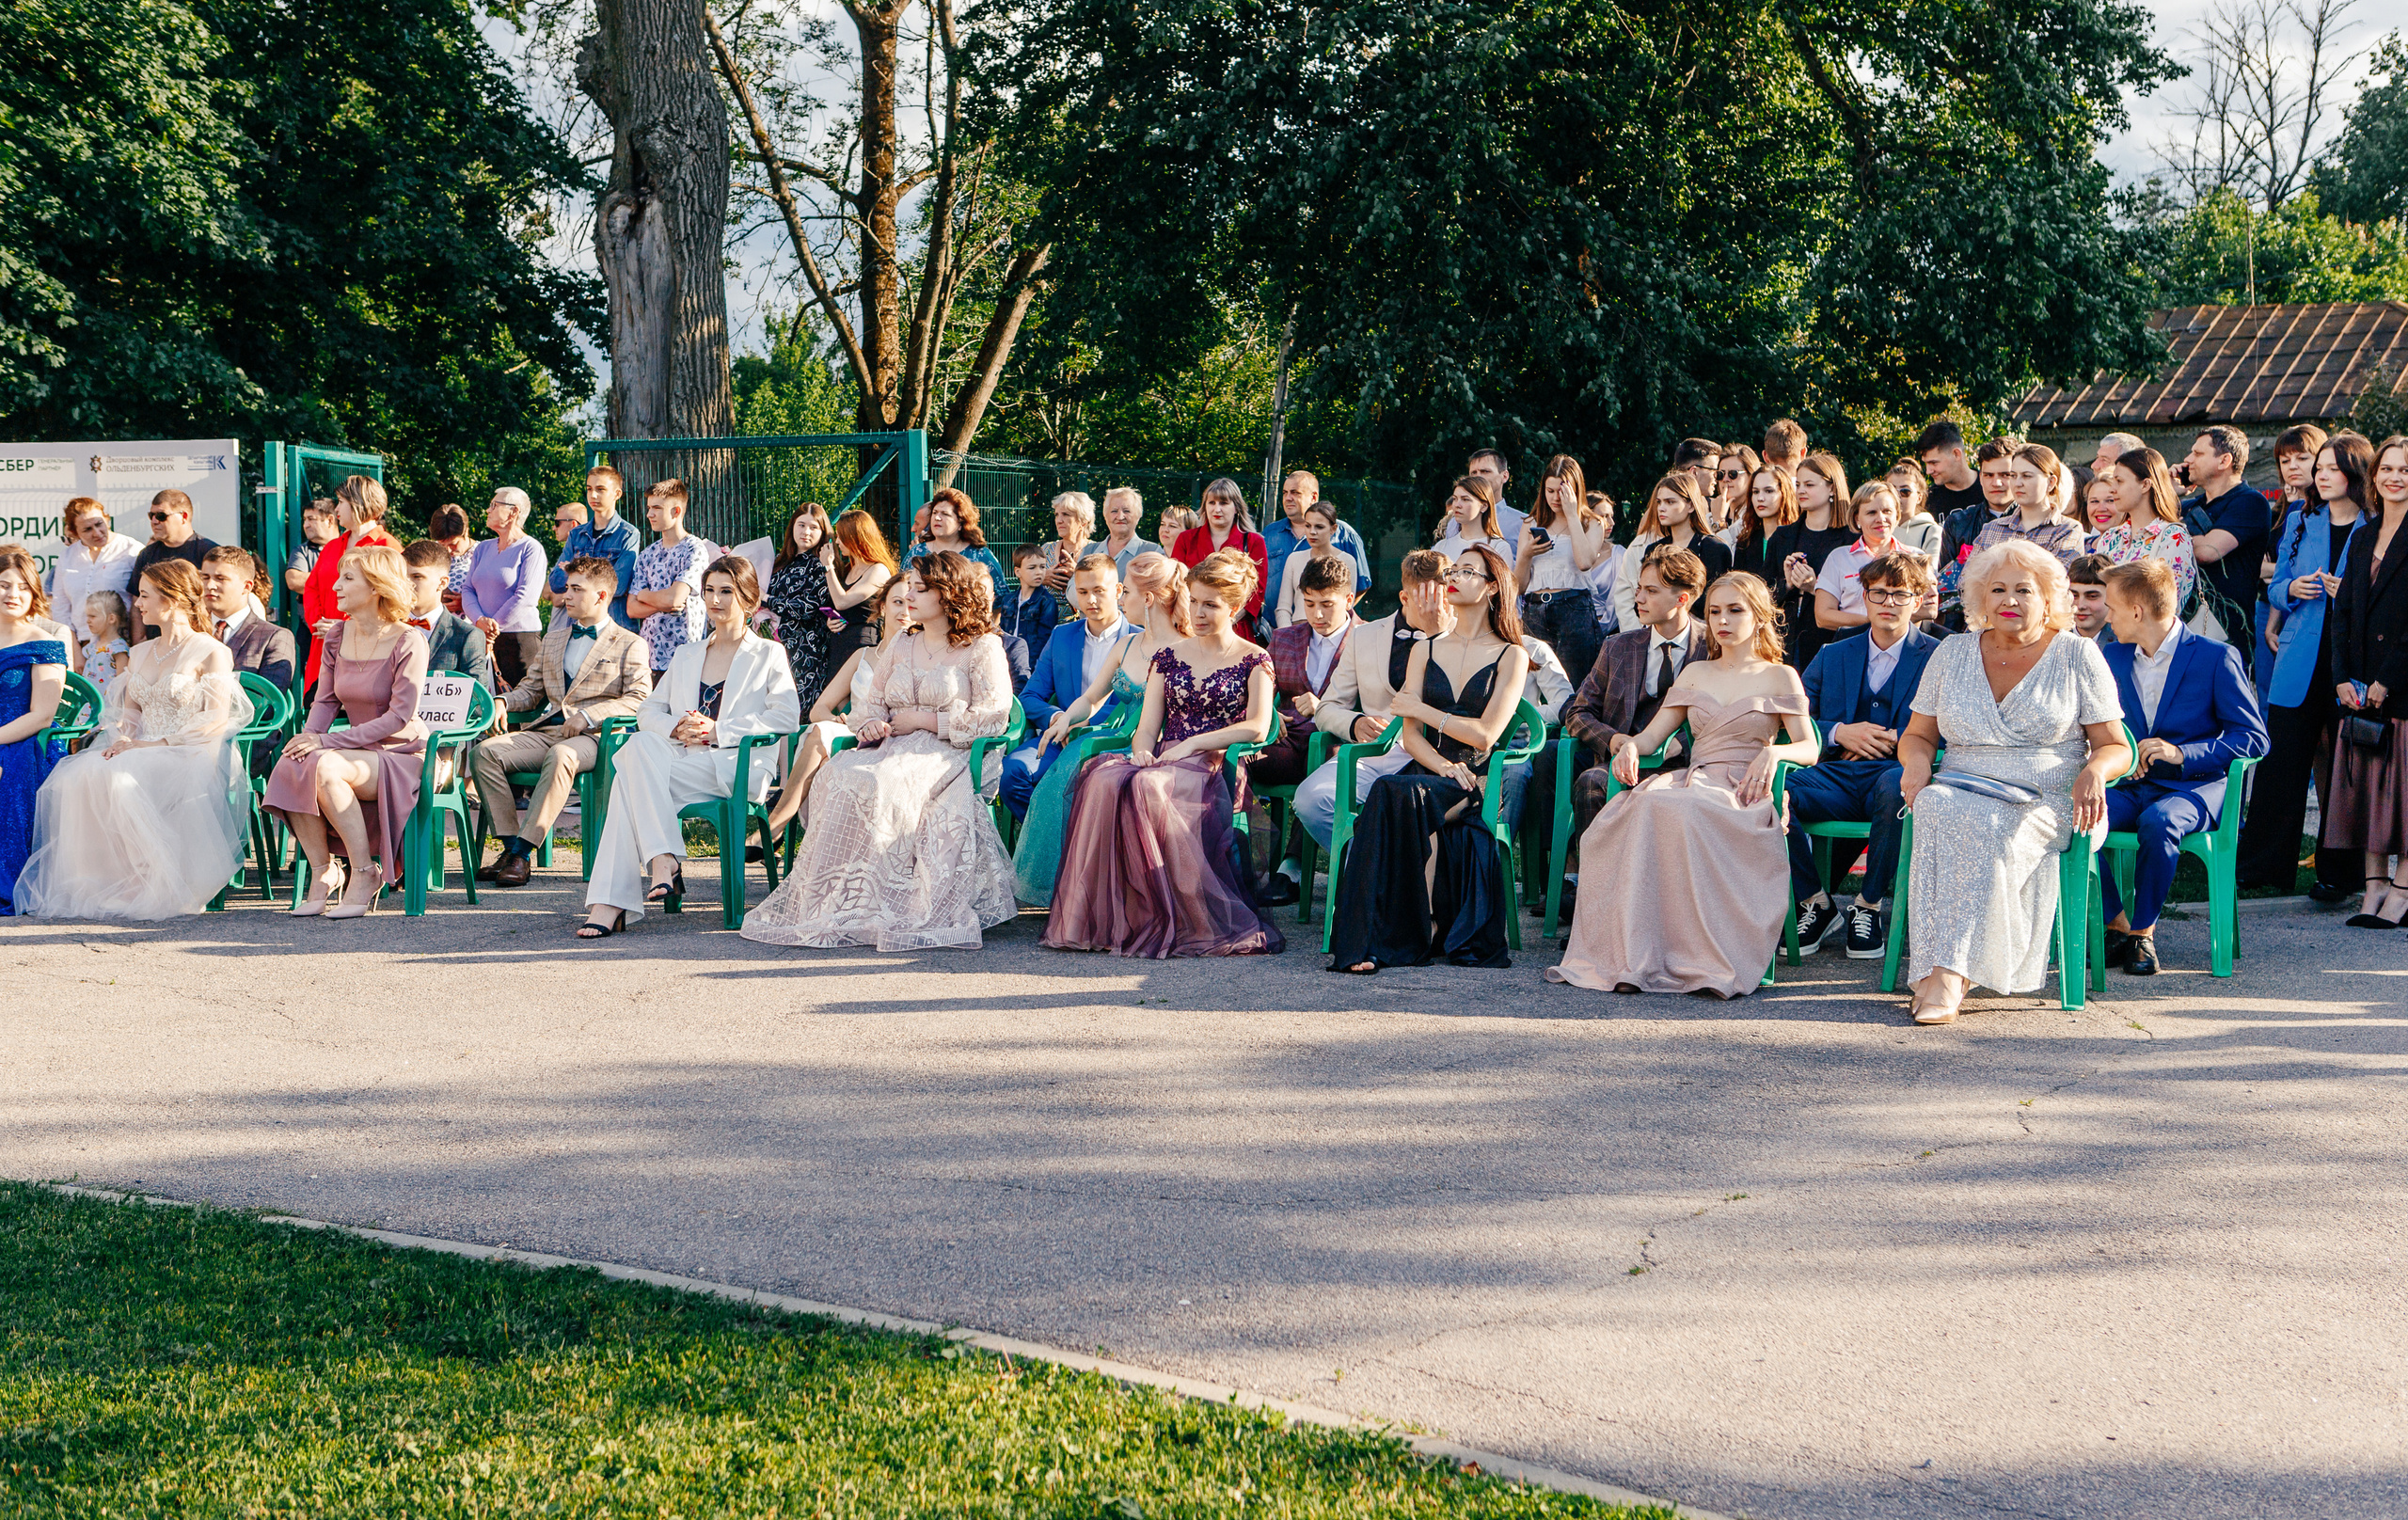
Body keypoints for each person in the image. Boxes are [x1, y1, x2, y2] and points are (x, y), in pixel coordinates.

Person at [1549, 572, 1816, 997]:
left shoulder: (1780, 676)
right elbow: (1652, 737)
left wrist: (1775, 752)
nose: (1722, 621)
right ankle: (1640, 950)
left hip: (1744, 789)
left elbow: (1808, 747)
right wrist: (1632, 748)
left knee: (1679, 808)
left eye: (1735, 610)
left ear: (1760, 617)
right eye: (1714, 612)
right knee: (1640, 806)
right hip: (1696, 778)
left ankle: (1700, 953)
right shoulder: (1696, 672)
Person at [1896, 541, 2130, 1023]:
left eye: (2024, 589)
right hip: (1961, 785)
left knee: (1989, 827)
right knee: (1937, 806)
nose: (2010, 599)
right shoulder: (1952, 652)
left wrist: (2094, 770)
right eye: (1998, 589)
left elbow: (2115, 746)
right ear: (1981, 598)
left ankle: (1947, 976)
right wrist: (1916, 764)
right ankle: (1944, 969)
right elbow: (1919, 735)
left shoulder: (2078, 655)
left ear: (2049, 599)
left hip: (2051, 799)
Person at [740, 551, 1014, 951]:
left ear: (949, 594)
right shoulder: (903, 643)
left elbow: (994, 717)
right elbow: (871, 702)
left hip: (949, 750)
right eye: (910, 589)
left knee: (883, 783)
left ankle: (894, 902)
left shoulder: (982, 647)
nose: (911, 597)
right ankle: (845, 901)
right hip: (891, 744)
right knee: (839, 774)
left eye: (922, 589)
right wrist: (868, 723)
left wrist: (924, 720)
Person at [1043, 550, 1283, 958]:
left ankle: (1190, 918)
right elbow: (1147, 730)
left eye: (1212, 604)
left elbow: (1258, 726)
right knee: (1103, 778)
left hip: (1214, 765)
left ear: (1236, 607)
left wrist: (1193, 744)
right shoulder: (1167, 657)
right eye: (1194, 600)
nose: (1199, 611)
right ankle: (1100, 920)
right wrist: (1140, 753)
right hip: (1163, 758)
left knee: (1148, 788)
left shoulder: (1254, 657)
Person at [1325, 546, 1529, 972]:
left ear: (1492, 586)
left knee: (1392, 793)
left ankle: (1385, 941)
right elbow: (1411, 736)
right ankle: (1374, 942)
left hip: (1475, 781)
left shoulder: (1512, 655)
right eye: (1452, 569)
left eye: (1467, 571)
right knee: (1395, 791)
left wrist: (1422, 710)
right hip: (1431, 771)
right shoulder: (1427, 649)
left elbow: (1485, 734)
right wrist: (1440, 764)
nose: (1453, 575)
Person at [14, 560, 253, 921]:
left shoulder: (211, 651)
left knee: (120, 779)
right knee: (76, 775)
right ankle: (106, 879)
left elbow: (215, 721)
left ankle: (151, 880)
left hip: (187, 750)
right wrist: (122, 738)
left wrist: (152, 746)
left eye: (144, 596)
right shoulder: (140, 651)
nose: (137, 605)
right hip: (141, 746)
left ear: (171, 599)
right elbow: (129, 716)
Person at [578, 557, 801, 938]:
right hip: (681, 760)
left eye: (727, 591)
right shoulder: (687, 654)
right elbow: (648, 709)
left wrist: (719, 731)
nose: (716, 600)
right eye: (710, 590)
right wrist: (675, 728)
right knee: (637, 748)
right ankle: (661, 860)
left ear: (749, 599)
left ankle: (614, 900)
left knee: (628, 779)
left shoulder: (768, 654)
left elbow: (786, 718)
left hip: (736, 765)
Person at [2096, 559, 2269, 974]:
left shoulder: (2215, 657)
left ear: (2137, 612)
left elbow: (2253, 738)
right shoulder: (2112, 656)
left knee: (2160, 821)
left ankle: (2144, 935)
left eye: (2112, 606)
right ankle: (2117, 924)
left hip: (2195, 788)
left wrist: (2182, 754)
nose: (2107, 614)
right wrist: (2124, 753)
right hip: (2130, 784)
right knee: (2075, 818)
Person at [2240, 433, 2374, 896]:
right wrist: (2292, 590)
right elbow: (2276, 587)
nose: (2321, 476)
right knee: (2280, 764)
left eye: (2331, 468)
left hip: (2351, 662)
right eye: (2319, 468)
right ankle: (2261, 870)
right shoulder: (2301, 518)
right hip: (2298, 657)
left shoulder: (2377, 525)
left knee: (2345, 771)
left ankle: (2340, 875)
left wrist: (2350, 593)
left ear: (2355, 474)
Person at [265, 544, 431, 919]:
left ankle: (364, 872)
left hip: (400, 754)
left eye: (347, 578)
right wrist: (306, 740)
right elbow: (324, 702)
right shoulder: (337, 636)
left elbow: (398, 719)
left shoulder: (410, 640)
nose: (335, 585)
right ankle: (324, 871)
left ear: (376, 587)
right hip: (355, 752)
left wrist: (324, 742)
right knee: (295, 765)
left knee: (323, 765)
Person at [1789, 552, 1941, 958]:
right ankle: (1816, 902)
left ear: (1918, 599)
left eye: (1900, 594)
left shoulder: (1940, 657)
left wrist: (1905, 739)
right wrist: (1840, 732)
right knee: (1771, 787)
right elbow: (1794, 720)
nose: (1889, 603)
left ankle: (1869, 905)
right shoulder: (1832, 655)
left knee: (1898, 784)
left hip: (1897, 774)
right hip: (1835, 776)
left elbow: (1958, 730)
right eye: (1879, 593)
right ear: (1865, 597)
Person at [1012, 552, 1186, 905]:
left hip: (1156, 742)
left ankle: (1110, 893)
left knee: (1097, 782)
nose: (1120, 602)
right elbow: (1091, 697)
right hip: (1111, 739)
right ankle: (1073, 888)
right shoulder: (1125, 645)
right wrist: (1063, 720)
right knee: (1052, 786)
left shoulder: (1182, 649)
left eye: (1125, 595)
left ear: (1147, 598)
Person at [470, 556, 653, 887]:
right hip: (548, 730)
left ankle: (523, 853)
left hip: (597, 738)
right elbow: (531, 690)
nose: (566, 596)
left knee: (562, 755)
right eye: (566, 588)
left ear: (601, 596)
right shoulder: (553, 640)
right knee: (484, 752)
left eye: (576, 589)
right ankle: (512, 846)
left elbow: (639, 698)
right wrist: (502, 701)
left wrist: (588, 716)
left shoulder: (631, 643)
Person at [1549, 547, 1710, 915]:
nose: (1638, 598)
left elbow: (1722, 714)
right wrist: (1616, 740)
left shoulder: (1713, 647)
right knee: (1592, 782)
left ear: (1682, 598)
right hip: (1624, 762)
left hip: (1690, 765)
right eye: (1639, 588)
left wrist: (1675, 745)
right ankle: (1597, 911)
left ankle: (1670, 915)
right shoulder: (1619, 646)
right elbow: (1576, 711)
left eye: (1651, 591)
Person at [1295, 548, 1455, 859]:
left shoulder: (1463, 638)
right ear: (1404, 598)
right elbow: (1327, 708)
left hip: (1440, 754)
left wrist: (1442, 635)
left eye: (1441, 598)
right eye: (1425, 599)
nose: (1436, 607)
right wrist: (1354, 724)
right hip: (1378, 755)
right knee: (1309, 800)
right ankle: (1368, 870)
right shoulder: (1364, 636)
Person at [2326, 434, 2408, 927]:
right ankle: (2373, 887)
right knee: (2371, 794)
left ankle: (2402, 891)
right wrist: (2342, 678)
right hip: (2358, 689)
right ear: (2374, 477)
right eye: (2388, 469)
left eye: (2405, 470)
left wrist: (2388, 679)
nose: (2395, 478)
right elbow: (2343, 613)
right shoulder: (2362, 535)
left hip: (2403, 690)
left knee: (2403, 795)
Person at [765, 577, 918, 838]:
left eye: (910, 604)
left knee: (820, 735)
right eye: (897, 602)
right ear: (882, 607)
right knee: (821, 729)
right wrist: (838, 722)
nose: (904, 611)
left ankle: (775, 825)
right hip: (851, 732)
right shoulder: (862, 655)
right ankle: (778, 825)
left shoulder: (920, 657)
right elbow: (820, 708)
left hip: (895, 739)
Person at [1251, 552, 1360, 907]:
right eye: (1309, 603)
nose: (1317, 615)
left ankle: (1291, 867)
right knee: (1232, 761)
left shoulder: (1370, 639)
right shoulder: (1284, 638)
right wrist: (1267, 711)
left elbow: (1375, 707)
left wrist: (1327, 709)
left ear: (1349, 599)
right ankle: (1254, 852)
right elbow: (1258, 690)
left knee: (1325, 759)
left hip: (1339, 747)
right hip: (1285, 741)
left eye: (1327, 604)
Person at [0, 553, 68, 916]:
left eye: (23, 587)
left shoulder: (44, 643)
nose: (13, 593)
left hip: (25, 741)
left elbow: (42, 715)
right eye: (4, 584)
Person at [2181, 425, 2273, 667]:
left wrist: (2176, 534)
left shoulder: (2250, 502)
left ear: (2224, 460)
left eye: (2198, 454)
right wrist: (2168, 493)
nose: (2188, 460)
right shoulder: (2186, 507)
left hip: (2229, 634)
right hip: (2184, 628)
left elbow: (2207, 552)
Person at [1513, 453, 1611, 681]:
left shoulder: (1592, 522)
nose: (1555, 498)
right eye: (1550, 491)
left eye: (1562, 491)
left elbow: (1585, 562)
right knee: (1533, 681)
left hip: (1574, 607)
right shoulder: (1531, 523)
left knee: (1575, 682)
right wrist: (1527, 555)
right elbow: (1518, 586)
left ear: (1574, 490)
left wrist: (1572, 513)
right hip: (1535, 609)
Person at [300, 475, 399, 688]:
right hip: (324, 648)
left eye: (341, 502)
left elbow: (394, 600)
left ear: (359, 503)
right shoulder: (332, 546)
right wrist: (319, 624)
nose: (336, 509)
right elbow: (311, 588)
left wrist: (348, 627)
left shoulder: (388, 546)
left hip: (367, 653)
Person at [2258, 424, 2331, 701]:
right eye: (2285, 460)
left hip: (2316, 608)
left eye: (2302, 458)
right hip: (2278, 604)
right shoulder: (2288, 511)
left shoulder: (2336, 506)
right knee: (2274, 694)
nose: (2293, 466)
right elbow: (2281, 571)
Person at [1610, 472, 1733, 631]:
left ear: (1690, 505)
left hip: (1703, 635)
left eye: (1670, 502)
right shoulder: (1654, 549)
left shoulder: (1715, 548)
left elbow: (1719, 602)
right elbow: (1642, 597)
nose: (1661, 508)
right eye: (1659, 502)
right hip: (1659, 633)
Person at [1764, 454, 1855, 666]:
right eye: (1798, 484)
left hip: (1831, 645)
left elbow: (1857, 601)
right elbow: (1761, 594)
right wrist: (1787, 583)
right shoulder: (1782, 536)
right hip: (1784, 644)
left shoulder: (1851, 539)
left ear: (1832, 488)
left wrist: (1816, 587)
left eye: (1809, 484)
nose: (1801, 490)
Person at [2090, 445, 2197, 611]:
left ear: (2145, 485)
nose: (2112, 489)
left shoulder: (2172, 537)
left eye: (2120, 481)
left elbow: (2167, 606)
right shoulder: (2111, 537)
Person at [460, 487, 547, 689]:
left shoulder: (531, 548)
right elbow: (468, 589)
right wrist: (479, 621)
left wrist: (492, 628)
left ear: (513, 512)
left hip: (518, 641)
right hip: (482, 636)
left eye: (494, 505)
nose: (487, 510)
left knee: (519, 706)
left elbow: (526, 597)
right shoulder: (482, 548)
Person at [45, 498, 142, 671]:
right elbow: (60, 608)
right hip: (82, 647)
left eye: (99, 524)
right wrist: (75, 651)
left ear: (107, 519)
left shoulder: (131, 550)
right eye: (87, 529)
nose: (97, 533)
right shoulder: (67, 557)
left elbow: (141, 601)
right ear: (74, 533)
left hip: (121, 646)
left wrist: (136, 646)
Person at [1934, 439, 2021, 627]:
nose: (1996, 482)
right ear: (1980, 477)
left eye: (2005, 474)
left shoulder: (2034, 523)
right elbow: (1946, 592)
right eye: (1988, 475)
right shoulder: (1957, 523)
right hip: (1968, 628)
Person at [760, 503, 837, 717]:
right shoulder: (779, 561)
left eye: (814, 527)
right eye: (801, 525)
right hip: (773, 645)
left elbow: (809, 608)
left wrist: (766, 599)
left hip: (805, 650)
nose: (806, 532)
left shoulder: (820, 564)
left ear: (823, 533)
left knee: (797, 710)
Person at [1814, 483, 1916, 640]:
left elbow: (1928, 609)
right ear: (1857, 518)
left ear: (1897, 516)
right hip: (1851, 645)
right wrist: (1873, 621)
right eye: (1871, 513)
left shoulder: (1915, 557)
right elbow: (1823, 616)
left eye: (1887, 511)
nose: (1880, 518)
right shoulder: (1839, 558)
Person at [629, 478, 707, 674]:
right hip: (649, 659)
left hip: (685, 656)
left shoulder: (694, 549)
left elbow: (675, 599)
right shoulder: (647, 553)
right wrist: (664, 603)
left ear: (676, 511)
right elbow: (631, 608)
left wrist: (645, 596)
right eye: (649, 507)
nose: (649, 514)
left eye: (657, 508)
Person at [1172, 479, 1274, 625]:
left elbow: (1258, 590)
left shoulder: (1254, 541)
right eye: (1212, 503)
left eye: (1223, 503)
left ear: (1236, 507)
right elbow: (1175, 583)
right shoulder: (1186, 539)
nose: (1217, 509)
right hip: (1192, 622)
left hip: (1237, 625)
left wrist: (1229, 619)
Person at [554, 466, 643, 629]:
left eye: (601, 489)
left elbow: (618, 586)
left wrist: (574, 570)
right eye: (589, 489)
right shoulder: (576, 534)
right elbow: (556, 581)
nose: (593, 495)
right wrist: (592, 579)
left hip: (613, 626)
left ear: (617, 494)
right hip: (577, 627)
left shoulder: (628, 534)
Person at [1971, 445, 2085, 572]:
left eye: (2027, 476)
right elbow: (1966, 580)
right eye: (2013, 476)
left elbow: (2058, 580)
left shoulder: (2067, 530)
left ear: (2051, 482)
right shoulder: (1992, 529)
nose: (2018, 483)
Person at [399, 541, 495, 692]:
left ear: (442, 583)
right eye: (403, 576)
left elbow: (477, 704)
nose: (407, 584)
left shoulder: (467, 636)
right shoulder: (384, 628)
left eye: (417, 576)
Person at [199, 546, 296, 694]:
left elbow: (269, 705)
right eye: (205, 578)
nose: (210, 585)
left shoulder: (274, 637)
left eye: (221, 579)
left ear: (246, 586)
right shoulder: (192, 631)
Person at [820, 508, 899, 689]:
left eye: (841, 536)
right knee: (837, 702)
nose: (837, 542)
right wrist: (830, 621)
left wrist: (828, 566)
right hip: (839, 642)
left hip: (862, 642)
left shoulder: (878, 570)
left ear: (855, 537)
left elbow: (842, 601)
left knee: (858, 697)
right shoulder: (848, 570)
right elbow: (838, 605)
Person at [1263, 471, 1374, 597]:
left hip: (1321, 617)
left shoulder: (1344, 535)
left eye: (1295, 492)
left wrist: (1338, 613)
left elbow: (1360, 586)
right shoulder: (1269, 533)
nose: (1288, 498)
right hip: (1273, 617)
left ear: (1313, 497)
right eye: (1285, 492)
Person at [130, 490, 218, 641]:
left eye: (161, 516)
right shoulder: (147, 554)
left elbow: (216, 600)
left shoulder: (209, 552)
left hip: (196, 641)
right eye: (151, 516)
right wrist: (138, 640)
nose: (154, 521)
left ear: (184, 516)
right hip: (155, 642)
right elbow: (136, 600)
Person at [1273, 502, 1373, 627]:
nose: (1312, 532)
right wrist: (1288, 636)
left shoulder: (1348, 561)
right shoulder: (1294, 559)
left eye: (1319, 527)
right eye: (1308, 526)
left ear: (1333, 529)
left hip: (1332, 632)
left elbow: (1347, 608)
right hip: (1297, 631)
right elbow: (1283, 608)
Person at [908, 486, 1009, 596]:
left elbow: (1001, 599)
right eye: (935, 512)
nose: (937, 518)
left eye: (945, 514)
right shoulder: (917, 552)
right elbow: (902, 589)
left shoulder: (980, 556)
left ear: (961, 522)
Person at [1728, 461, 1798, 584]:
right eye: (1755, 492)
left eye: (1769, 491)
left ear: (1784, 493)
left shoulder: (1797, 538)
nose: (1760, 498)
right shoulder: (1745, 542)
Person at [1433, 476, 1516, 570]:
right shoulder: (1441, 547)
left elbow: (1504, 584)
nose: (1457, 505)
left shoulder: (1499, 547)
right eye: (1455, 499)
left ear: (1484, 506)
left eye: (1465, 499)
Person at [1917, 420, 1987, 522]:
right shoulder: (1928, 500)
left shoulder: (1989, 489)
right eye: (1926, 463)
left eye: (1934, 463)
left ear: (1956, 454)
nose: (1928, 471)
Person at [1038, 491, 1100, 595]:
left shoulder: (1097, 551)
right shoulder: (1046, 550)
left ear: (1083, 521)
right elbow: (1024, 585)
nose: (1059, 520)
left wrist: (1077, 575)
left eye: (1066, 514)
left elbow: (1104, 591)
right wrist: (1040, 578)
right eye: (1056, 515)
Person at [78, 591, 132, 705]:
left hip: (108, 710)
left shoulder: (118, 649)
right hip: (88, 708)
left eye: (93, 616)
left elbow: (122, 685)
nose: (88, 620)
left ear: (111, 618)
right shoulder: (91, 648)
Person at [1003, 543, 1061, 649]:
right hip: (1007, 659)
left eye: (1042, 567)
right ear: (1018, 572)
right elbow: (1002, 634)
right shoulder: (1008, 600)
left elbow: (1044, 642)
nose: (1038, 572)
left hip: (1030, 662)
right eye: (1032, 568)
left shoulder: (1047, 602)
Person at [1466, 449, 1530, 544]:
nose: (1478, 477)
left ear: (1504, 476)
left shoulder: (1523, 523)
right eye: (1474, 473)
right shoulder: (1456, 523)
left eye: (1485, 471)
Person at [1098, 486, 1164, 576]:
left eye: (1126, 511)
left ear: (1138, 516)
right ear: (1105, 516)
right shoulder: (1089, 551)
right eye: (1114, 511)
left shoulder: (1152, 552)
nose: (1120, 517)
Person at [424, 504, 477, 614]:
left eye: (453, 544)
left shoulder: (482, 553)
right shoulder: (430, 552)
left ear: (466, 532)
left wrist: (468, 603)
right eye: (442, 544)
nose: (448, 550)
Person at [1888, 460, 1942, 559]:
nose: (1897, 496)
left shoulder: (1931, 531)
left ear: (1919, 497)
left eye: (1905, 491)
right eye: (1891, 490)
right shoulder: (1879, 527)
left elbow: (1931, 571)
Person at [284, 499, 338, 597]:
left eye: (311, 519)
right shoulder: (302, 551)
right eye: (305, 520)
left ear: (330, 520)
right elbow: (294, 581)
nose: (305, 525)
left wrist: (312, 581)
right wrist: (340, 577)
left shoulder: (349, 545)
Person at [1672, 438, 1723, 530]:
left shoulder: (1713, 505)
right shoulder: (1665, 511)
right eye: (1714, 471)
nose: (1717, 477)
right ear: (1694, 472)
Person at [2067, 554, 2116, 643]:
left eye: (2092, 596)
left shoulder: (2126, 644)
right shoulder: (2052, 639)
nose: (2080, 606)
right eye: (2074, 595)